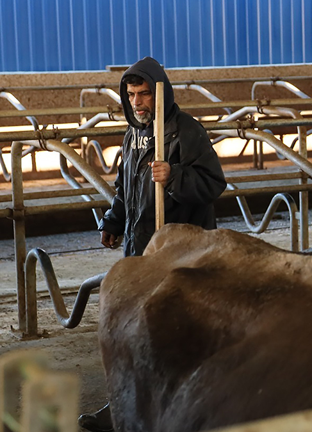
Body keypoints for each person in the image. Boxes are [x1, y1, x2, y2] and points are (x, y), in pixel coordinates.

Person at [79, 57, 226, 432]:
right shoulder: (133, 135)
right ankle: (125, 407)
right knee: (134, 331)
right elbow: (124, 187)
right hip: (140, 247)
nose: (138, 102)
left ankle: (177, 408)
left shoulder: (185, 131)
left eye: (145, 94)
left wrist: (174, 175)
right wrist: (113, 220)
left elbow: (213, 184)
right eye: (132, 95)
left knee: (171, 335)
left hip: (178, 252)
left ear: (161, 93)